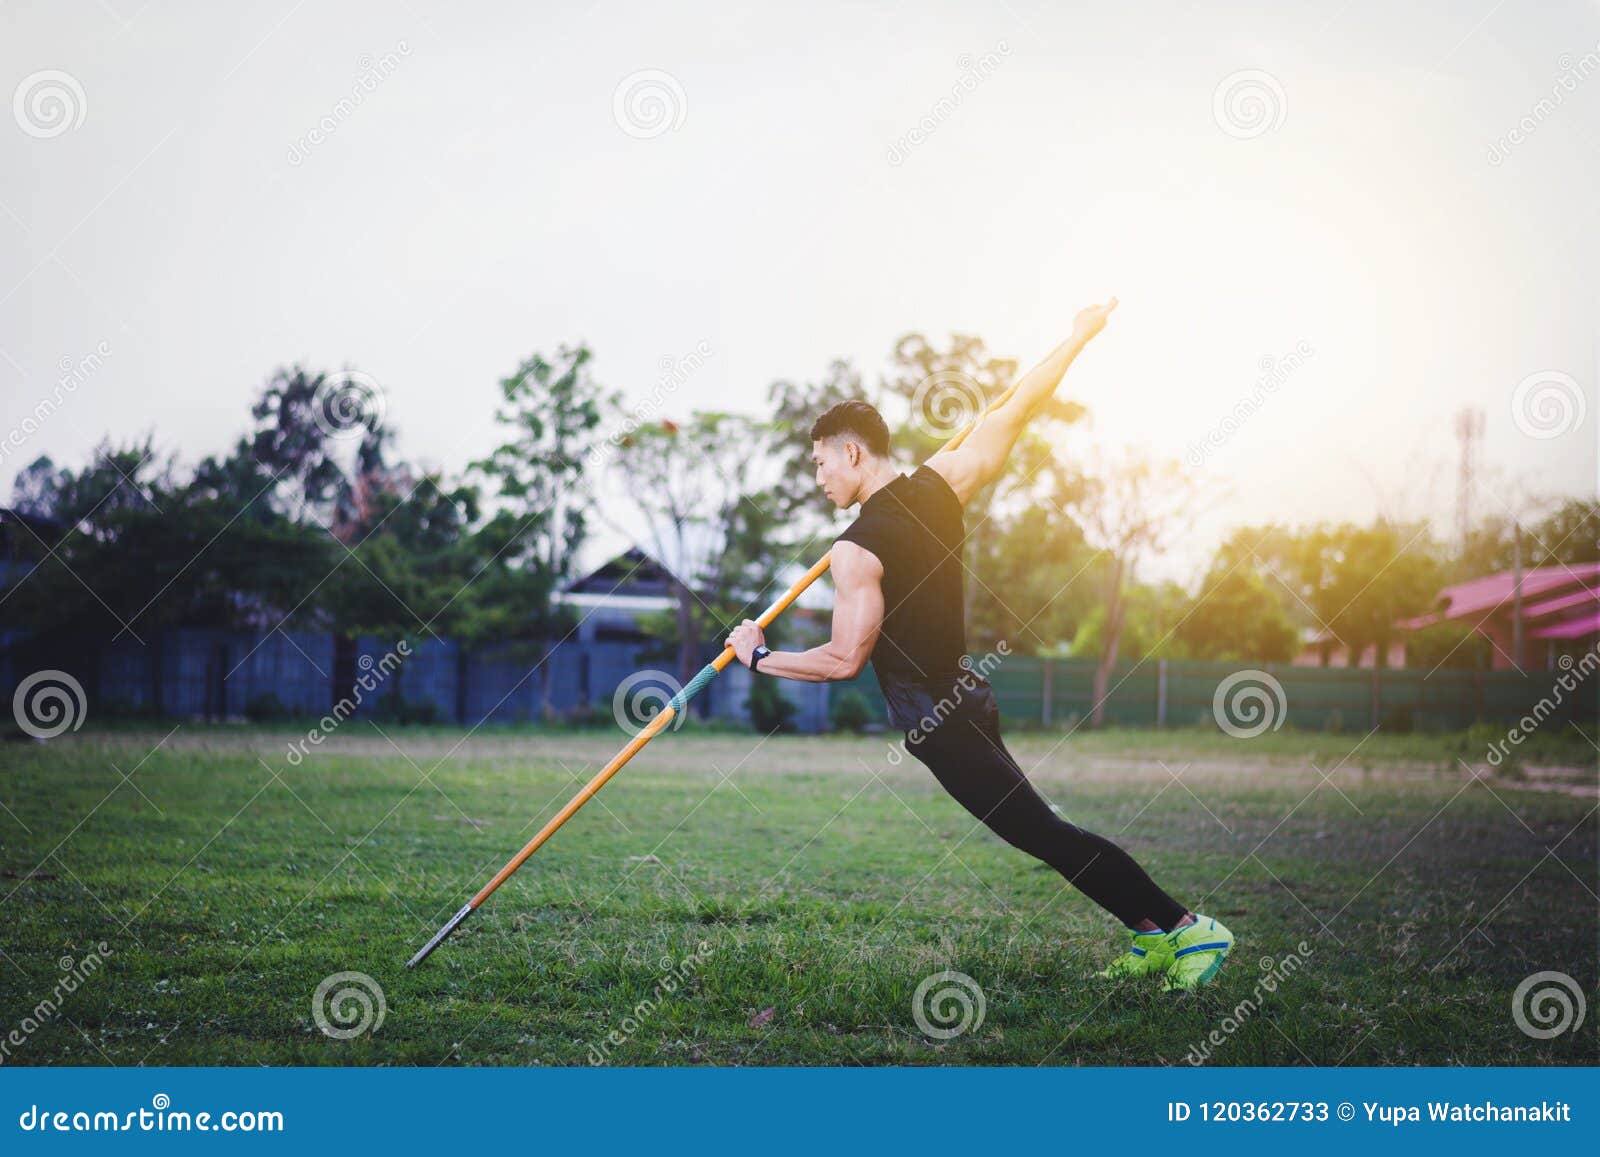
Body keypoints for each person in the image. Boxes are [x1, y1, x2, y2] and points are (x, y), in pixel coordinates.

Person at [723, 300, 1233, 989]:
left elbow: (844, 659)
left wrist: (760, 655)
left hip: (938, 718)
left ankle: (1186, 928)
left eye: (821, 464)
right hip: (968, 694)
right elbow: (1019, 405)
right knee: (1041, 828)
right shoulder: (944, 484)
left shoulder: (854, 550)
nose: (819, 479)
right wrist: (1078, 336)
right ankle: (1148, 935)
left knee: (1043, 832)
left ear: (852, 451)